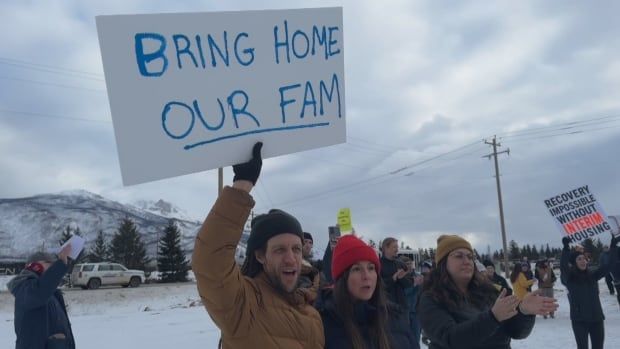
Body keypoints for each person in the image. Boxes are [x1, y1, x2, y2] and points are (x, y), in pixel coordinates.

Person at [191, 143, 324, 348]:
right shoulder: (243, 305)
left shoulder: (312, 312)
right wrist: (242, 185)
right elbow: (210, 263)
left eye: (296, 249)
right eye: (279, 250)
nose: (291, 258)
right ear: (261, 256)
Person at [417, 235, 557, 349]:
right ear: (443, 263)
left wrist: (524, 311)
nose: (467, 261)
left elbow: (515, 332)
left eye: (470, 257)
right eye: (458, 256)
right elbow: (451, 338)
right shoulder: (431, 298)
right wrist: (492, 317)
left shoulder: (488, 291)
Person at [317, 235, 416, 349]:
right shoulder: (323, 324)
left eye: (371, 268)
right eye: (357, 269)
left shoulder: (394, 317)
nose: (366, 276)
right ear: (343, 278)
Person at [7, 244, 75, 349]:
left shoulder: (48, 291)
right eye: (49, 263)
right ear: (35, 266)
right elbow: (38, 293)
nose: (53, 266)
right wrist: (60, 264)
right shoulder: (25, 286)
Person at [561, 235, 619, 349]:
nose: (583, 261)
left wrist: (613, 246)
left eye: (584, 258)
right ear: (574, 263)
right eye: (579, 259)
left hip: (597, 319)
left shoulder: (592, 275)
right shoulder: (569, 278)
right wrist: (566, 248)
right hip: (579, 321)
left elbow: (609, 265)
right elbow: (563, 267)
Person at [379, 237, 412, 308]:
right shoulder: (378, 265)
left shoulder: (401, 264)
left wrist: (402, 278)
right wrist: (393, 279)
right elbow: (377, 285)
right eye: (394, 247)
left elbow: (409, 284)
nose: (397, 250)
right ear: (386, 248)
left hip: (402, 307)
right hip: (386, 308)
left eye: (397, 247)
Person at [298, 232, 320, 304]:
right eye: (305, 242)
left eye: (310, 243)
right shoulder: (294, 260)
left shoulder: (312, 263)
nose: (308, 245)